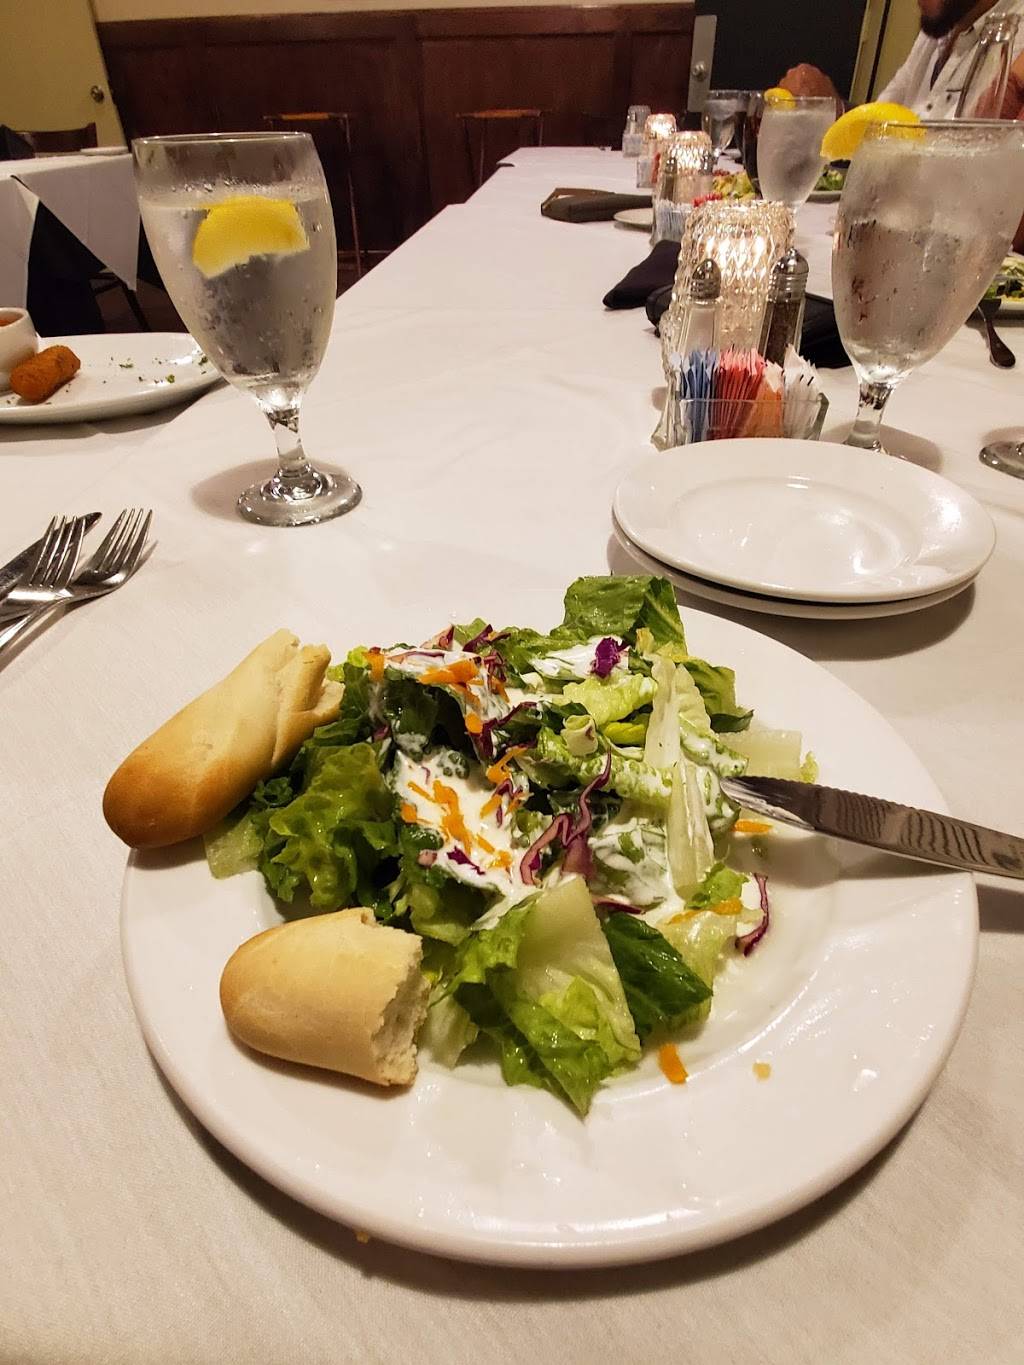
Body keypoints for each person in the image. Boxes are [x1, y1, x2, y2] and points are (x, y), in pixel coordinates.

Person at [779, 0, 1024, 117]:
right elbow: (880, 122)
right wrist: (829, 109)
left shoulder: (1015, 37)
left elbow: (958, 170)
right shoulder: (941, 27)